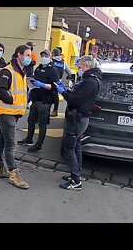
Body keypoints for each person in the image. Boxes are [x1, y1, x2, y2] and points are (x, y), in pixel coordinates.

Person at [55, 55, 101, 191]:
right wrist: (67, 90)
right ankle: (75, 174)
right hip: (80, 117)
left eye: (80, 67)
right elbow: (77, 96)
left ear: (87, 66)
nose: (79, 69)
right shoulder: (90, 79)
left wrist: (63, 92)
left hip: (78, 118)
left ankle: (76, 181)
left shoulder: (90, 82)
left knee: (69, 149)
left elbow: (76, 100)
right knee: (76, 147)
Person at [0, 44, 31, 189]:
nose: (29, 57)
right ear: (19, 55)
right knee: (10, 144)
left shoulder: (22, 70)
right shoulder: (8, 71)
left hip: (15, 113)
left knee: (2, 141)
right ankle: (13, 173)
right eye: (27, 55)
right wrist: (12, 100)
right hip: (6, 112)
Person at [18, 49, 59, 153]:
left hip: (45, 100)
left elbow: (55, 87)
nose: (43, 58)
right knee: (31, 120)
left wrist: (42, 85)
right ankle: (29, 138)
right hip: (35, 98)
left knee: (42, 124)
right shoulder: (39, 68)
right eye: (42, 55)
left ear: (50, 57)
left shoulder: (53, 70)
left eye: (46, 55)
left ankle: (39, 144)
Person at [50, 48, 72, 117]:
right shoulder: (63, 62)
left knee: (46, 95)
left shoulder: (51, 61)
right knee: (56, 96)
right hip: (58, 81)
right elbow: (69, 72)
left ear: (53, 53)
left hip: (49, 80)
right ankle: (55, 110)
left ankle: (46, 110)